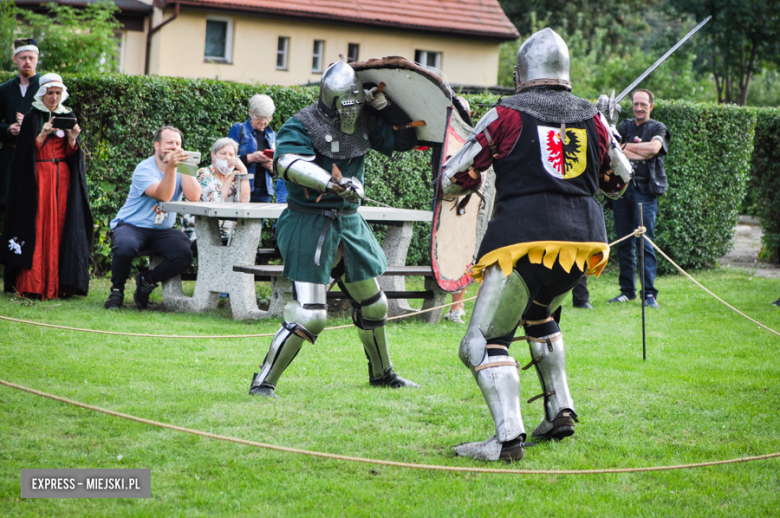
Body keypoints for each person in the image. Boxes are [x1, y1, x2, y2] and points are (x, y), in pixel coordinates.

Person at [440, 28, 631, 461]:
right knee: (540, 316)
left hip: (522, 243)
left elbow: (452, 175)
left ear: (523, 71)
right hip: (582, 247)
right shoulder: (594, 118)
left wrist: (467, 186)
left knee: (482, 343)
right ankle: (559, 409)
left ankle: (506, 438)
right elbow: (619, 181)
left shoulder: (506, 114)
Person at [248, 60, 419, 398]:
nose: (352, 109)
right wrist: (333, 183)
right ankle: (263, 382)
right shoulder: (301, 123)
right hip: (307, 222)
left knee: (375, 306)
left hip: (348, 223)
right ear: (330, 98)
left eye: (357, 101)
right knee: (311, 315)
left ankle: (382, 374)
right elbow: (288, 163)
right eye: (347, 101)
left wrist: (383, 106)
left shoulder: (367, 122)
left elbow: (406, 140)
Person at [1, 73, 92, 299]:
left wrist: (72, 140)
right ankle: (35, 283)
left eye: (57, 93)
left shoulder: (69, 115)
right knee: (38, 225)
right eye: (50, 93)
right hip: (38, 179)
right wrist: (42, 134)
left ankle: (61, 284)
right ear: (42, 93)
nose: (53, 97)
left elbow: (73, 156)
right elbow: (25, 154)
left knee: (61, 225)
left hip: (62, 180)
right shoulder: (32, 118)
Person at [104, 126, 202, 310]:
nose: (174, 147)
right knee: (125, 247)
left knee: (184, 253)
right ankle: (116, 292)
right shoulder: (144, 169)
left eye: (178, 144)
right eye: (169, 143)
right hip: (132, 225)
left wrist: (186, 168)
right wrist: (173, 167)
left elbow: (194, 196)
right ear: (157, 145)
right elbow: (163, 195)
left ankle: (147, 282)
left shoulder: (181, 168)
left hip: (162, 230)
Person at [608, 89, 670, 309]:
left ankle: (649, 294)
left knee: (645, 242)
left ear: (651, 106)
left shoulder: (657, 128)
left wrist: (624, 148)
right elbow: (611, 149)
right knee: (624, 241)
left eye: (643, 104)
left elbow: (654, 148)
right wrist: (633, 151)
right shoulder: (624, 126)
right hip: (623, 190)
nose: (638, 108)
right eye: (635, 104)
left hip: (645, 190)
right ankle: (627, 292)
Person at [182, 137, 250, 245]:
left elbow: (244, 202)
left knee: (245, 244)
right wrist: (230, 179)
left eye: (231, 155)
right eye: (223, 153)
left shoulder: (236, 177)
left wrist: (244, 172)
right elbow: (215, 203)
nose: (227, 158)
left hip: (227, 232)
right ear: (213, 156)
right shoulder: (204, 174)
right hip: (200, 231)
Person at [0, 38, 41, 211]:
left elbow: (56, 123)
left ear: (37, 59)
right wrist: (9, 129)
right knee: (7, 207)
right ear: (15, 59)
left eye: (31, 58)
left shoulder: (45, 88)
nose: (27, 62)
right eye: (23, 58)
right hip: (9, 159)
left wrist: (30, 125)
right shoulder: (4, 89)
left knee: (32, 209)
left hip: (36, 159)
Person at [228, 94, 286, 205]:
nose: (263, 122)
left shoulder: (272, 135)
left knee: (259, 222)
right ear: (251, 113)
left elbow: (278, 170)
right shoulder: (238, 130)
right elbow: (228, 159)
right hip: (241, 186)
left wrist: (272, 167)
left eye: (267, 118)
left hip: (265, 191)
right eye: (259, 118)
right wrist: (252, 158)